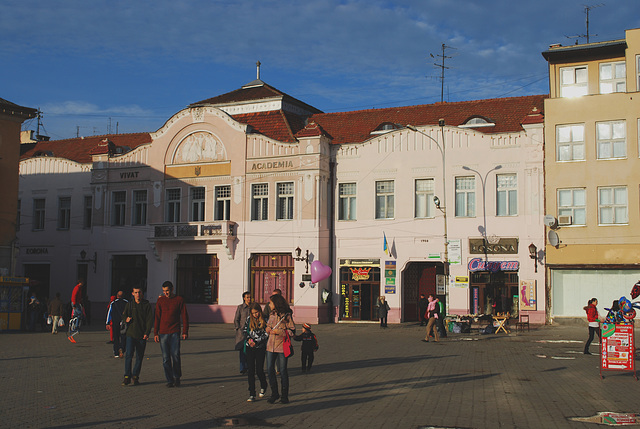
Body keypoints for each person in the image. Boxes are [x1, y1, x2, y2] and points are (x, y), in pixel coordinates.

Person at [154, 281, 189, 388]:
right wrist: (155, 332)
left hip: (175, 332)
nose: (166, 293)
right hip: (163, 333)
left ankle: (177, 377)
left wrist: (185, 331)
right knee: (166, 358)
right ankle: (169, 379)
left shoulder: (179, 300)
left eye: (167, 291)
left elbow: (184, 316)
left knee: (176, 356)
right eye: (164, 291)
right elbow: (157, 317)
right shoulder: (160, 300)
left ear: (172, 289)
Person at [265, 294, 296, 404]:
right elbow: (268, 324)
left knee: (282, 370)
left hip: (281, 346)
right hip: (270, 346)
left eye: (271, 302)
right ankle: (274, 393)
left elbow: (292, 330)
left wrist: (279, 332)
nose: (269, 304)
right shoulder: (272, 314)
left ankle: (284, 395)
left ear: (276, 303)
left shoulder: (286, 315)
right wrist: (268, 328)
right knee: (269, 370)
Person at [121, 287, 153, 386]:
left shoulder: (146, 305)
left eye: (139, 292)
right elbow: (123, 315)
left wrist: (147, 333)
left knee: (139, 356)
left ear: (142, 293)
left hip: (141, 335)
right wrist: (126, 318)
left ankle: (135, 376)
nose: (138, 294)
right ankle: (127, 376)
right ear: (132, 293)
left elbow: (149, 320)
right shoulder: (129, 304)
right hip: (130, 334)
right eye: (136, 292)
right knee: (129, 355)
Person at [243, 302, 269, 402]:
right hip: (250, 347)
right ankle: (252, 393)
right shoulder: (249, 320)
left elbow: (266, 334)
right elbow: (245, 331)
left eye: (257, 312)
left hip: (260, 347)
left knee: (259, 370)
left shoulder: (265, 320)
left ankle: (263, 384)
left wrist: (257, 341)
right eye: (253, 313)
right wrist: (249, 340)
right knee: (250, 370)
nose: (255, 315)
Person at [106, 291, 128, 358]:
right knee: (124, 337)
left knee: (116, 337)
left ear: (117, 296)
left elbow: (109, 313)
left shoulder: (113, 303)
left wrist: (107, 323)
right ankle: (122, 348)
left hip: (115, 322)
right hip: (124, 322)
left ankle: (116, 352)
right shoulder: (127, 303)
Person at [234, 292, 252, 374]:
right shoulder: (240, 307)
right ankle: (242, 367)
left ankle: (249, 366)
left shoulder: (253, 307)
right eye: (247, 297)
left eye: (250, 297)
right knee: (242, 350)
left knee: (250, 350)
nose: (249, 299)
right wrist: (238, 328)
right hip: (242, 333)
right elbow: (236, 319)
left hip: (251, 332)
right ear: (244, 298)